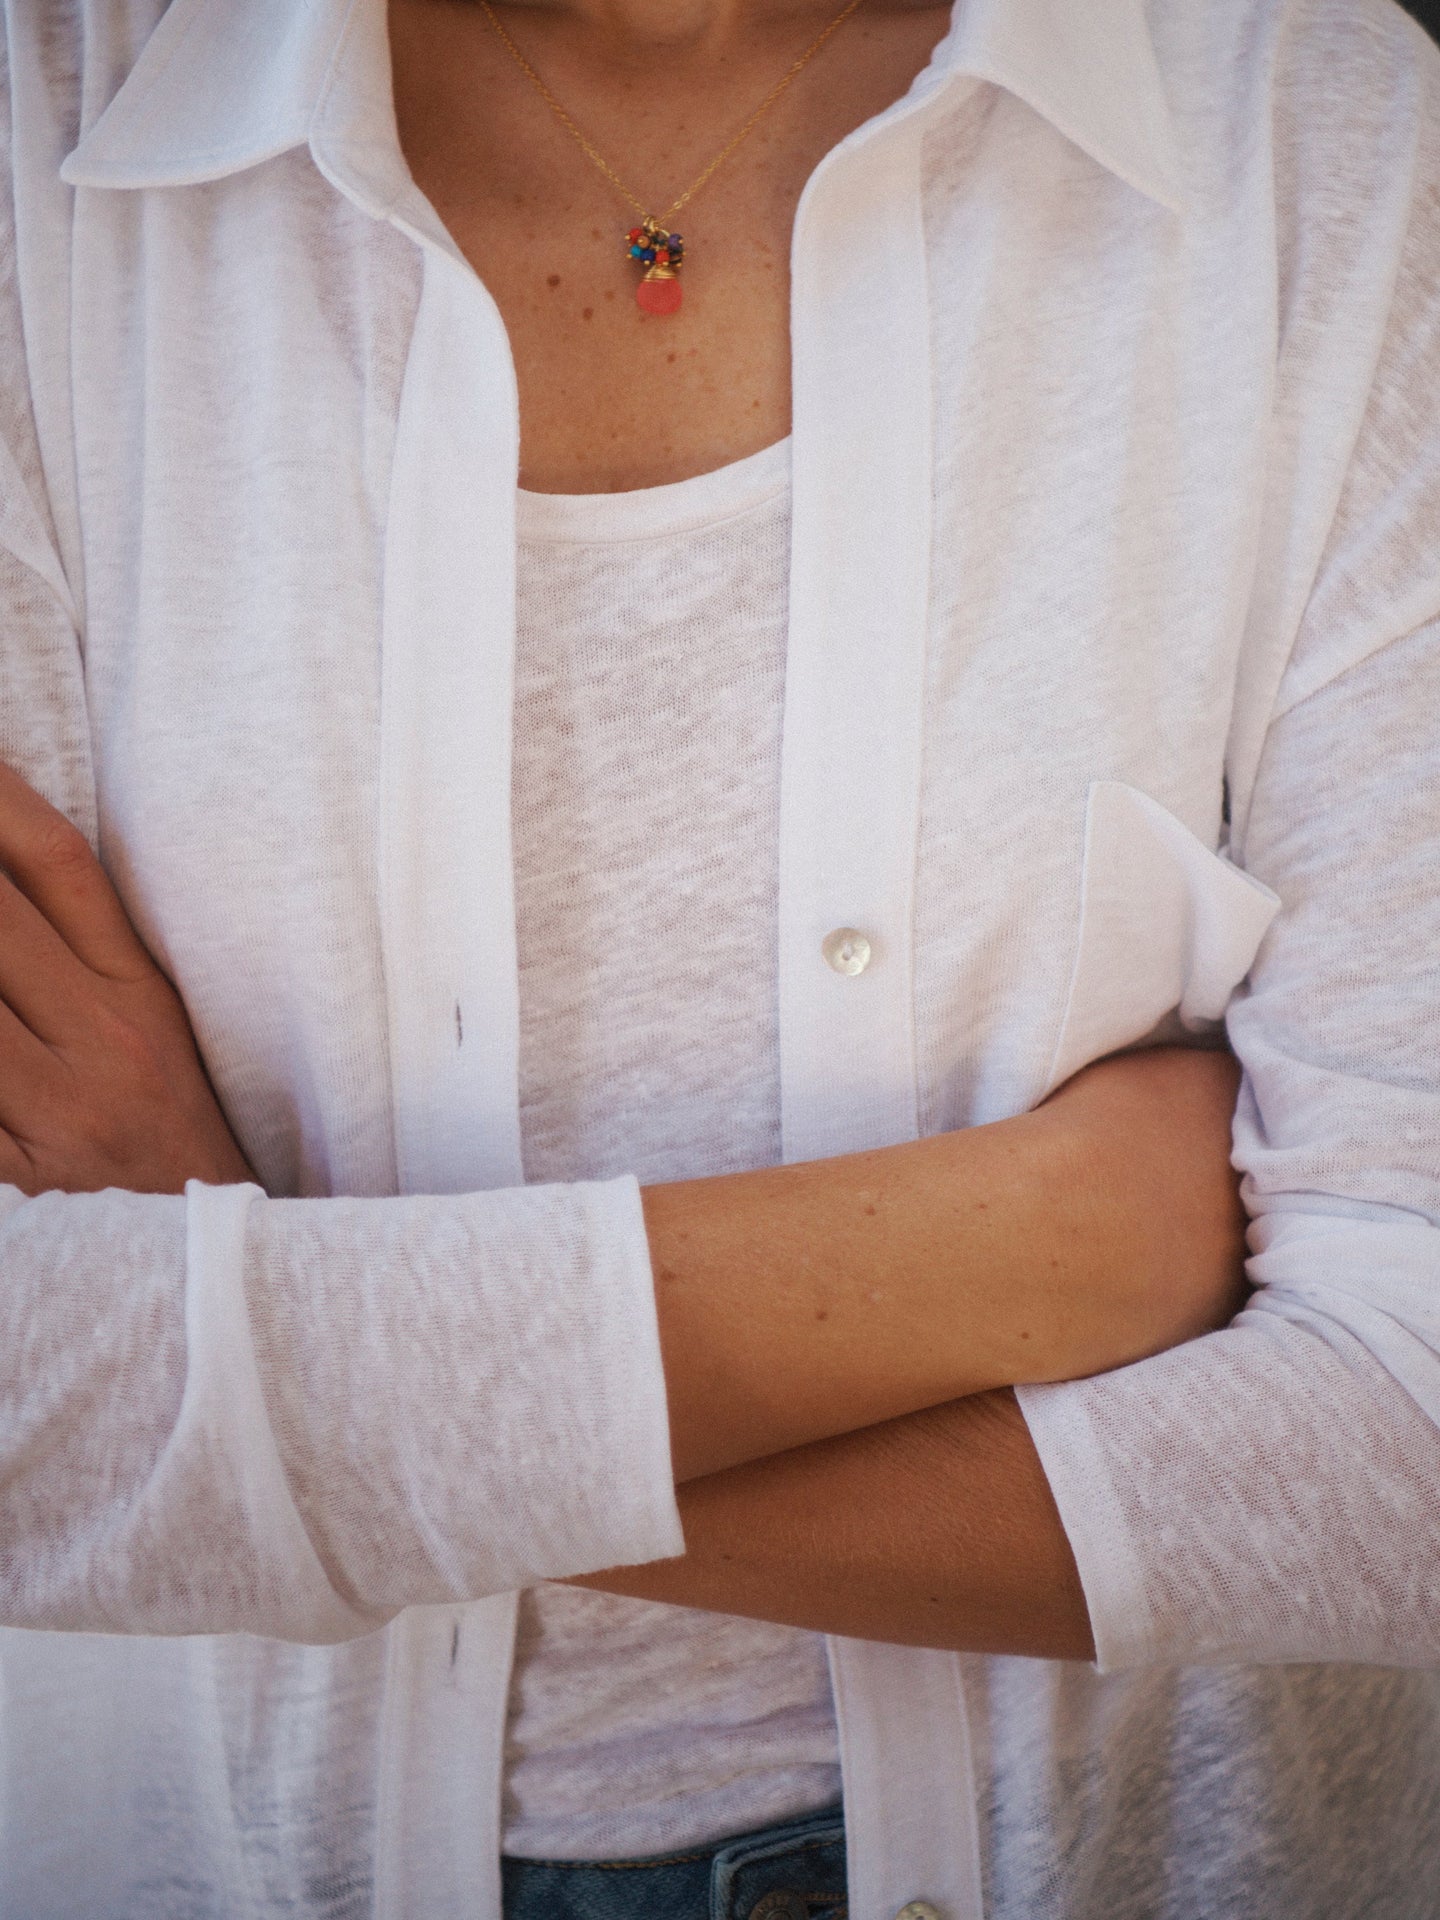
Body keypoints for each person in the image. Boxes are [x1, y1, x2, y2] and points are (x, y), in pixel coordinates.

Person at [0, 0, 1436, 1914]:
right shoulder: (40, 119)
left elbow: (1403, 1450)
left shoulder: (1316, 127)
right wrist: (1019, 1248)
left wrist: (231, 1357)